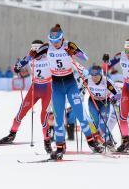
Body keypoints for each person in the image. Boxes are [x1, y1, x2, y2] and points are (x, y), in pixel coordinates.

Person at [31, 24, 104, 160]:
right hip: (57, 86)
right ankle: (60, 147)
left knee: (80, 115)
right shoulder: (46, 47)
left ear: (62, 38)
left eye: (57, 40)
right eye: (52, 41)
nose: (55, 43)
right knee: (58, 120)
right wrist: (29, 58)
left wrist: (74, 52)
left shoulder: (69, 44)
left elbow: (85, 57)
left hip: (71, 85)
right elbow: (32, 57)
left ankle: (92, 143)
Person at [0, 40, 53, 153]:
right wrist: (17, 68)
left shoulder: (48, 56)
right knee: (21, 112)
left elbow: (49, 47)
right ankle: (12, 134)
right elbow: (17, 66)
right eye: (32, 48)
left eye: (36, 48)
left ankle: (47, 141)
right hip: (35, 88)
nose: (33, 51)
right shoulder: (29, 57)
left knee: (44, 118)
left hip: (47, 88)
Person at [84, 65, 120, 150]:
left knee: (103, 124)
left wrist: (114, 99)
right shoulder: (87, 80)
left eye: (96, 75)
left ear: (101, 75)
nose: (94, 78)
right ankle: (97, 141)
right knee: (95, 122)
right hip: (93, 102)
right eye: (92, 75)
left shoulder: (107, 82)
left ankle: (110, 141)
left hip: (105, 103)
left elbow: (118, 94)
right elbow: (79, 90)